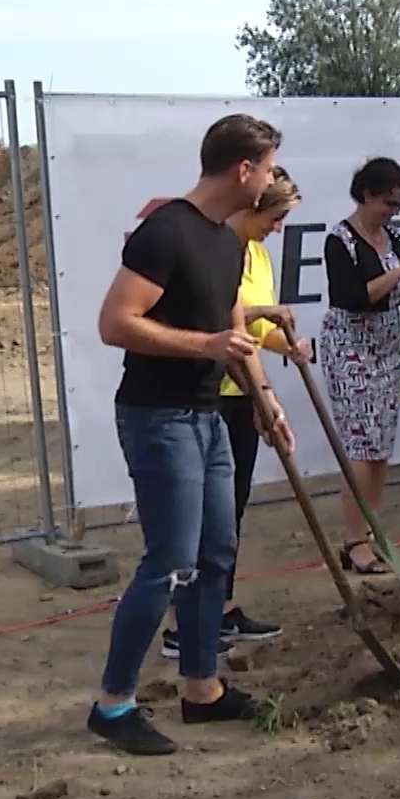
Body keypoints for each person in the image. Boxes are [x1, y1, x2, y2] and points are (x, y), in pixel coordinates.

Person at [88, 113, 295, 756]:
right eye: (265, 169)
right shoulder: (166, 231)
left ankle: (202, 689)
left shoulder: (230, 242)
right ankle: (113, 704)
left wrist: (264, 400)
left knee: (215, 555)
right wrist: (201, 345)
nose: (268, 181)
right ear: (243, 170)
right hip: (158, 417)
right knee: (168, 559)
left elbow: (234, 329)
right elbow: (115, 322)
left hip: (210, 416)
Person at [158, 165, 311, 662]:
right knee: (198, 517)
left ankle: (221, 607)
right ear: (251, 205)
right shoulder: (216, 248)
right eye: (275, 216)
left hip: (244, 389)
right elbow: (222, 318)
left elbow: (253, 327)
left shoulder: (258, 256)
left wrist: (284, 343)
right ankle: (182, 623)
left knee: (231, 508)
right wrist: (262, 324)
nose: (278, 226)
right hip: (211, 390)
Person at [322, 157, 400, 574]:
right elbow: (354, 296)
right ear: (367, 194)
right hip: (349, 346)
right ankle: (354, 539)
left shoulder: (395, 239)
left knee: (379, 447)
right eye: (388, 203)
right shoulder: (340, 240)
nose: (393, 212)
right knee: (360, 445)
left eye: (399, 205)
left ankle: (371, 528)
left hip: (387, 345)